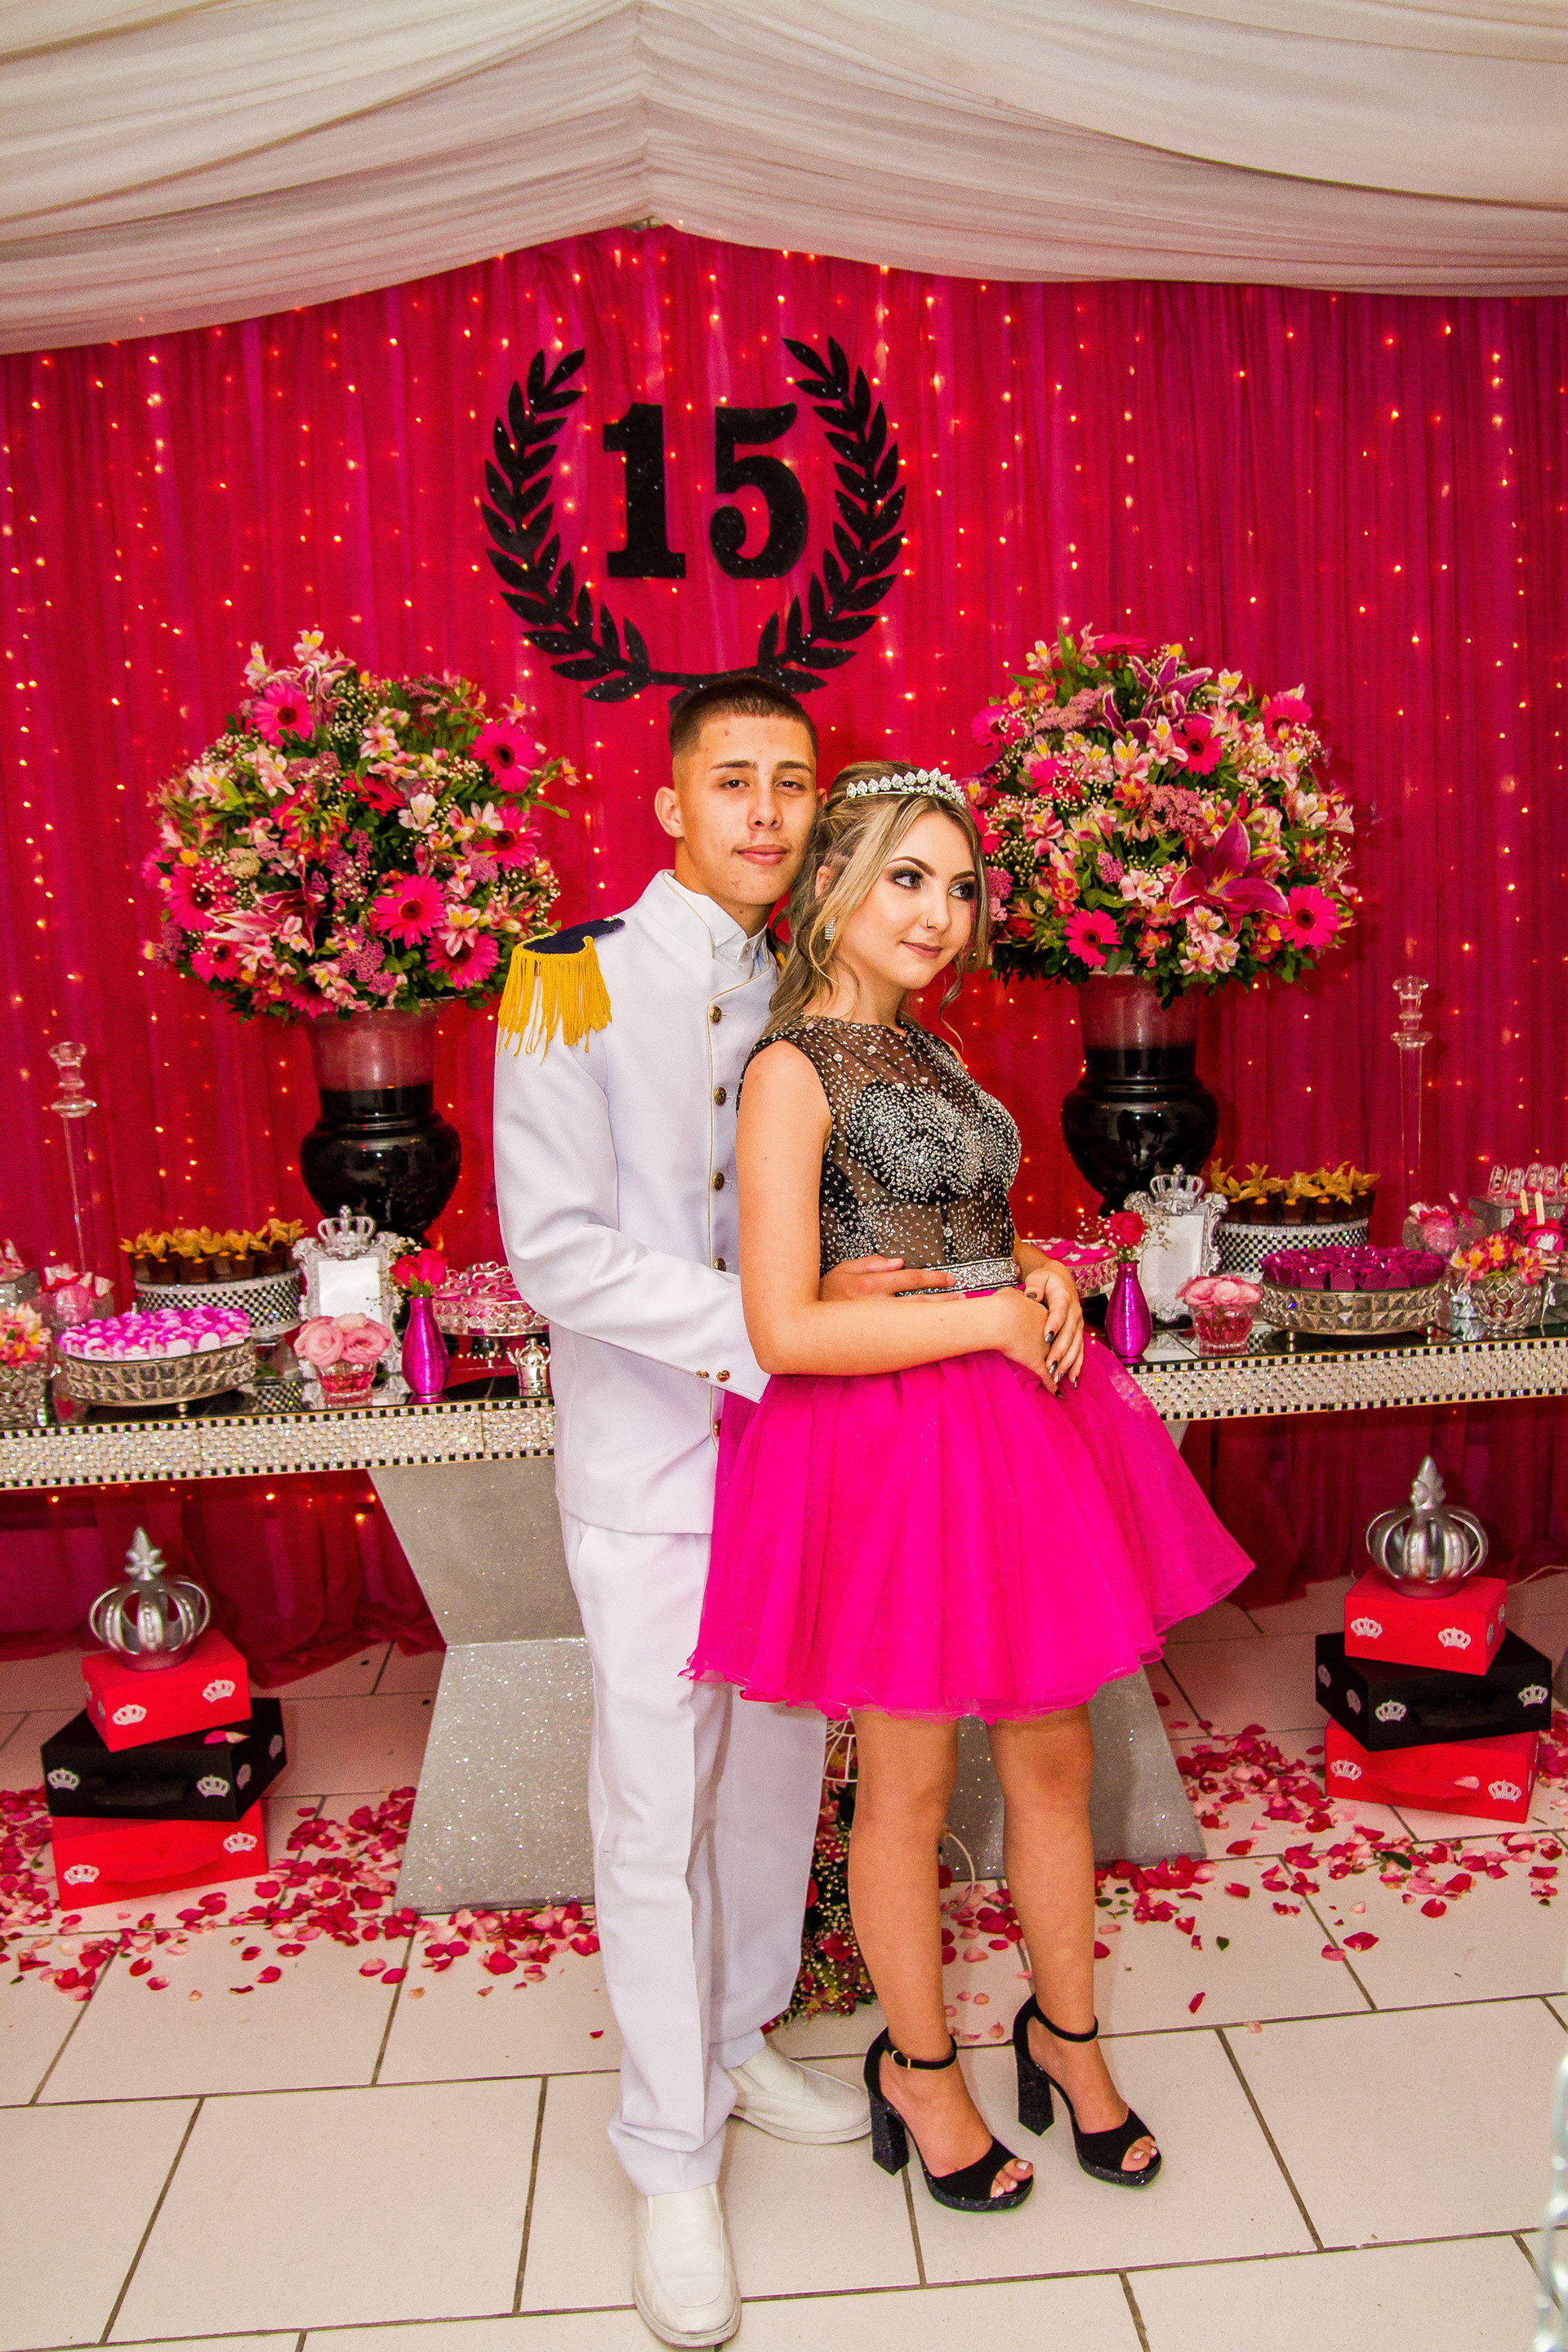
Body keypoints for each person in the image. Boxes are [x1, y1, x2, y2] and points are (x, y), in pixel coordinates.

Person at [690, 762, 1253, 2216]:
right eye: (906, 878)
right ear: (829, 884)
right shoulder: (790, 1068)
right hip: (884, 1450)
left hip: (1009, 1429)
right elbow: (783, 1329)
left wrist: (1038, 1272)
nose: (939, 913)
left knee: (1055, 1758)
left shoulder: (933, 1054)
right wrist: (989, 1312)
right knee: (913, 1776)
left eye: (958, 886)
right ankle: (921, 2067)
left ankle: (1066, 2038)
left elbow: (961, 1231)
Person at [492, 687, 957, 2348]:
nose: (766, 813)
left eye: (793, 784)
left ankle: (740, 2031)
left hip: (807, 1459)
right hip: (651, 1468)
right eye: (734, 781)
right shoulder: (571, 980)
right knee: (651, 1808)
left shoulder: (825, 981)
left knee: (772, 1780)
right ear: (672, 805)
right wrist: (768, 1327)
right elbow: (555, 1250)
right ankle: (668, 2154)